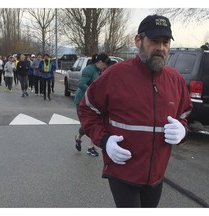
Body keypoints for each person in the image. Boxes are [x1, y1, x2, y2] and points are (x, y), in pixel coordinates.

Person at [78, 14, 193, 207]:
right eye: (154, 41)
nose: (161, 48)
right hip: (123, 171)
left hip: (156, 174)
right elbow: (87, 109)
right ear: (138, 40)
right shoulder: (115, 75)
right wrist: (105, 141)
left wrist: (183, 130)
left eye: (165, 42)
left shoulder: (175, 80)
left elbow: (184, 113)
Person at [74, 53, 111, 157]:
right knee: (87, 126)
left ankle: (90, 147)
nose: (106, 66)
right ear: (99, 62)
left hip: (94, 103)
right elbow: (81, 84)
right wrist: (93, 92)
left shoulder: (98, 70)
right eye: (105, 64)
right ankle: (79, 137)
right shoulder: (89, 70)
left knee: (96, 124)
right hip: (82, 102)